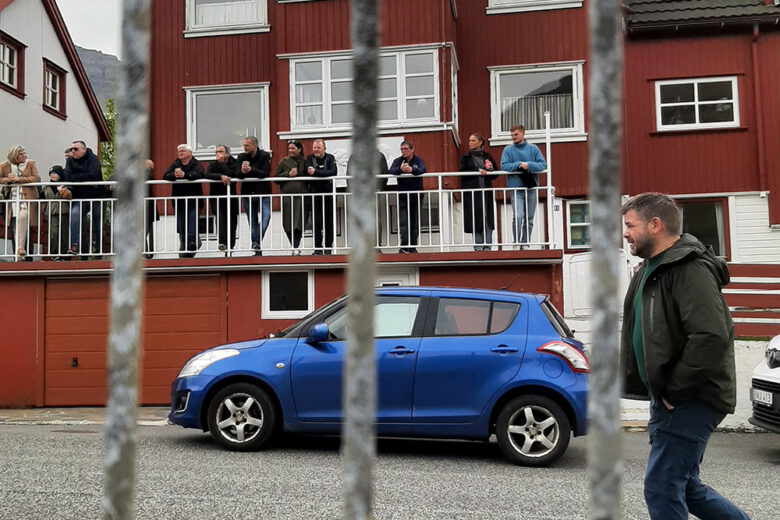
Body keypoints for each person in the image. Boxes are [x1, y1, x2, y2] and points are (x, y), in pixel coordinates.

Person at [620, 193, 749, 520]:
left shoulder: (688, 268)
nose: (625, 232)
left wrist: (675, 388)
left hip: (690, 397)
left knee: (661, 486)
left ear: (655, 224)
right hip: (671, 397)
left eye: (630, 225)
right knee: (685, 485)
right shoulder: (653, 268)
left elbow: (710, 335)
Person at [500, 125, 546, 247]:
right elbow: (504, 166)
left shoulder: (533, 148)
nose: (513, 137)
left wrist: (529, 165)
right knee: (518, 216)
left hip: (531, 187)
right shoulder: (507, 150)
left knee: (529, 218)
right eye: (512, 135)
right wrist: (518, 164)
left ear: (523, 134)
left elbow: (543, 165)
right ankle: (516, 241)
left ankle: (525, 243)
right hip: (516, 189)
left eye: (516, 134)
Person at [64, 140, 104, 256]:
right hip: (80, 195)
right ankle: (75, 245)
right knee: (75, 214)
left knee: (98, 222)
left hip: (96, 195)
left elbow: (93, 175)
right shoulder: (70, 160)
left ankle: (99, 249)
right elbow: (67, 176)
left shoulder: (93, 159)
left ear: (83, 149)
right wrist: (83, 178)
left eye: (75, 149)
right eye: (71, 149)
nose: (73, 151)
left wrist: (75, 177)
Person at [163, 144, 204, 258]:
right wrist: (175, 175)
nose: (180, 153)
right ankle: (184, 245)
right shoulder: (176, 164)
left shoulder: (196, 163)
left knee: (192, 221)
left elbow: (200, 174)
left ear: (189, 153)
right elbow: (165, 176)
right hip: (179, 200)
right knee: (181, 224)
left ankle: (192, 243)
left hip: (193, 199)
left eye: (182, 151)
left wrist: (185, 175)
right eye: (179, 151)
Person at [0, 145, 40, 261]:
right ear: (14, 156)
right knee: (14, 225)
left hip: (26, 199)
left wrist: (19, 180)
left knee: (25, 220)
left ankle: (24, 253)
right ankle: (18, 255)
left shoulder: (30, 163)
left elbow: (36, 178)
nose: (24, 156)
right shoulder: (4, 166)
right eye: (21, 154)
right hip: (12, 199)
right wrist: (7, 180)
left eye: (24, 153)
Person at [459, 133, 498, 251]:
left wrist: (491, 169)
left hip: (486, 192)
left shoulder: (487, 156)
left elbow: (495, 174)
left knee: (487, 217)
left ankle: (487, 245)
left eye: (473, 140)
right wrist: (476, 170)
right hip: (472, 193)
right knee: (475, 217)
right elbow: (461, 172)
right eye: (469, 141)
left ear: (480, 142)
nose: (470, 143)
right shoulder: (465, 158)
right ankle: (478, 245)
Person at [236, 136, 271, 256]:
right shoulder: (241, 157)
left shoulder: (264, 155)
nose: (244, 147)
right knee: (253, 222)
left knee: (266, 217)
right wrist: (242, 171)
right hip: (247, 193)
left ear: (254, 145)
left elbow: (265, 173)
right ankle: (257, 248)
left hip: (263, 192)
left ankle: (256, 241)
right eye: (243, 145)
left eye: (247, 145)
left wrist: (251, 170)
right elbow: (236, 174)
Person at [388, 140, 426, 253]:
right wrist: (400, 169)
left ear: (412, 149)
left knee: (414, 222)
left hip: (416, 195)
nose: (403, 151)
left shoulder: (418, 160)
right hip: (403, 195)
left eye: (405, 149)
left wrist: (411, 170)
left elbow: (423, 169)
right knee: (404, 222)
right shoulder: (398, 161)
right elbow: (390, 171)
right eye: (402, 149)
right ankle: (404, 247)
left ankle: (412, 247)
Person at [347, 148, 389, 249]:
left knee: (375, 219)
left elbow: (384, 174)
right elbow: (349, 174)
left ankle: (376, 246)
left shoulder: (379, 156)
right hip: (359, 195)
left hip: (374, 193)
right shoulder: (354, 156)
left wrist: (379, 187)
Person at [275, 139, 308, 253]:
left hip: (301, 196)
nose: (291, 150)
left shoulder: (304, 161)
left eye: (293, 148)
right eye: (289, 148)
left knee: (298, 223)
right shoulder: (283, 161)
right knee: (288, 223)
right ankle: (294, 245)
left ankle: (295, 246)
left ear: (299, 149)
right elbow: (276, 178)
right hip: (287, 197)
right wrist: (287, 175)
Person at [304, 139, 337, 255]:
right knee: (316, 222)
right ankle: (318, 248)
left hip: (328, 193)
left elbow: (333, 172)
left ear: (324, 148)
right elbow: (307, 171)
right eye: (314, 147)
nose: (316, 150)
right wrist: (322, 173)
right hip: (315, 194)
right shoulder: (309, 158)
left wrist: (317, 172)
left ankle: (328, 248)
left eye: (318, 147)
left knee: (329, 221)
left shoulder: (330, 158)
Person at [205, 145, 239, 254]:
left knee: (232, 222)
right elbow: (208, 174)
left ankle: (231, 246)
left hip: (231, 197)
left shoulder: (234, 162)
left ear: (227, 154)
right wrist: (220, 177)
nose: (218, 154)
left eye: (221, 151)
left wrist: (222, 164)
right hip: (216, 196)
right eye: (216, 152)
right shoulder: (213, 163)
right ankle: (222, 243)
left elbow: (231, 174)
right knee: (220, 218)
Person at [41, 165, 72, 261]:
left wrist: (62, 190)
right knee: (53, 233)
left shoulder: (65, 186)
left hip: (64, 212)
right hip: (51, 213)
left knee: (64, 234)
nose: (52, 175)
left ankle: (64, 255)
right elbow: (41, 200)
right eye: (51, 174)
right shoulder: (46, 188)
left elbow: (69, 196)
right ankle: (54, 254)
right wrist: (42, 210)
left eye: (54, 173)